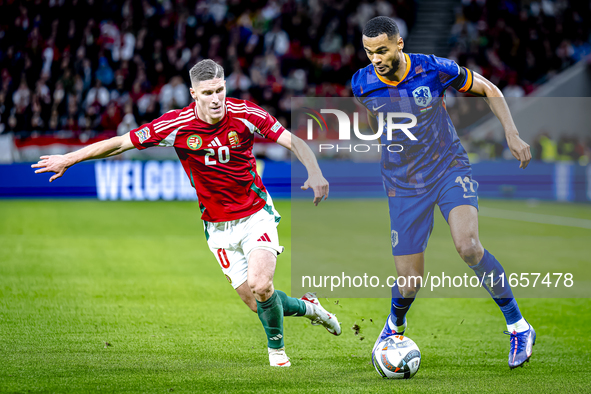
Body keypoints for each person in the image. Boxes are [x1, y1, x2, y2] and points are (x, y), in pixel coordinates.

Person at [32, 59, 342, 367]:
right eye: (208, 93)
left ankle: (277, 354)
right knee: (257, 300)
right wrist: (70, 158)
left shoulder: (246, 114)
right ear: (194, 94)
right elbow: (120, 144)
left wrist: (314, 171)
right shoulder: (176, 124)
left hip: (255, 214)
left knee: (261, 284)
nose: (216, 98)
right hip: (218, 227)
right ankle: (309, 307)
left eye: (220, 89)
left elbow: (293, 140)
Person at [351, 17, 534, 369]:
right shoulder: (362, 83)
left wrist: (511, 132)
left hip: (448, 167)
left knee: (468, 246)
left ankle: (518, 326)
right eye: (369, 51)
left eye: (382, 50)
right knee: (409, 282)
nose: (375, 58)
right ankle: (394, 325)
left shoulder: (432, 68)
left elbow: (489, 89)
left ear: (399, 44)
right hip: (403, 184)